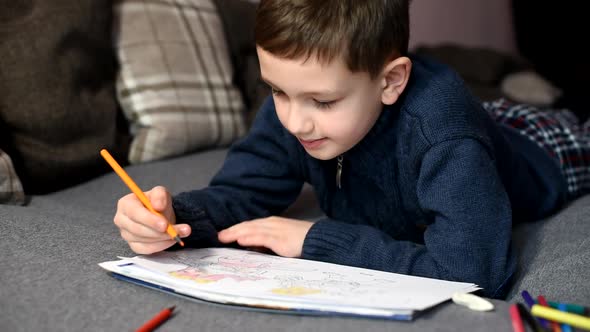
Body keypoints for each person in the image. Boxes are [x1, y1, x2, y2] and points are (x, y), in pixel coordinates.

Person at [112, 0, 590, 298]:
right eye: (277, 91)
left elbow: (475, 270)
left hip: (540, 149)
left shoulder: (445, 137)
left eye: (323, 100)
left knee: (570, 123)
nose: (295, 121)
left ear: (390, 81)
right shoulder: (296, 107)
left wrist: (315, 240)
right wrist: (173, 216)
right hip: (473, 125)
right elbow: (240, 193)